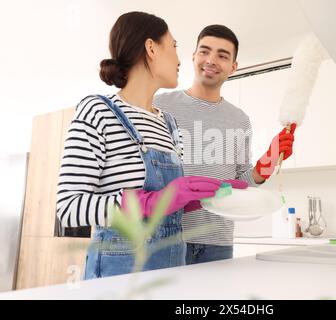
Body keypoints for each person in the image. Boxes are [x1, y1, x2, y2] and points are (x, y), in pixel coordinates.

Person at [56, 12, 245, 279]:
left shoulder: (168, 122)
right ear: (151, 48)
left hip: (171, 269)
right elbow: (69, 207)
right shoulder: (98, 110)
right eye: (174, 46)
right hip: (120, 275)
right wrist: (149, 203)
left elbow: (168, 206)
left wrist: (197, 198)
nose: (180, 60)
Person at [154, 25, 296, 265]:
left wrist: (267, 162)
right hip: (167, 238)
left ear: (233, 67)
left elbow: (241, 182)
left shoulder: (239, 120)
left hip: (218, 243)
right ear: (193, 56)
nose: (211, 60)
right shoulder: (159, 105)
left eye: (222, 55)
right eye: (205, 51)